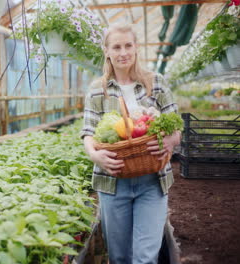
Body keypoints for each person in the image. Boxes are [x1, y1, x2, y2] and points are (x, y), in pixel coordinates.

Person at [80, 24, 181, 264]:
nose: (123, 52)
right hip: (113, 182)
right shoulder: (97, 90)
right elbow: (88, 134)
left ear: (136, 48)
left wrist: (169, 140)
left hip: (153, 182)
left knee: (145, 258)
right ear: (107, 51)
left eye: (128, 45)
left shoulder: (156, 83)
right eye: (116, 46)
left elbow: (177, 130)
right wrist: (95, 156)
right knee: (120, 257)